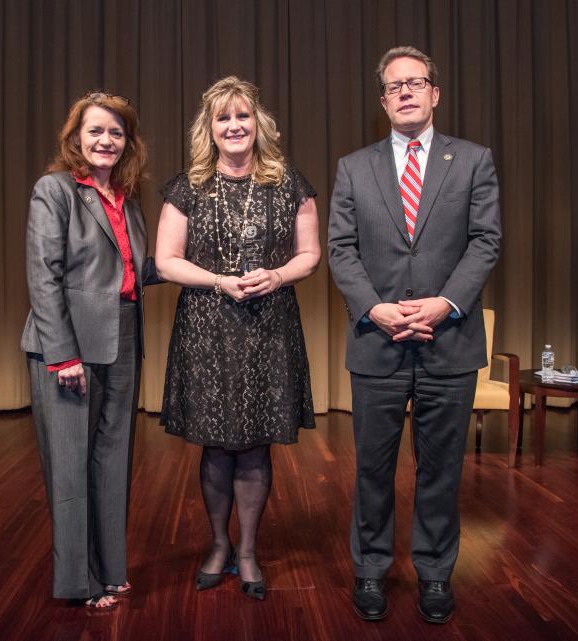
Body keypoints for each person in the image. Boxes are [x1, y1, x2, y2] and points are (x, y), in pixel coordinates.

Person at [328, 46, 501, 624]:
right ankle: (372, 571)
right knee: (372, 469)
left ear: (434, 94)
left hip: (449, 344)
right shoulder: (354, 167)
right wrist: (375, 309)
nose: (405, 91)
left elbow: (485, 241)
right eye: (394, 85)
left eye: (416, 82)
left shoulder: (473, 161)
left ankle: (434, 575)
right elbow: (341, 249)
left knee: (441, 469)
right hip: (377, 342)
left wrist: (445, 304)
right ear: (383, 100)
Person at [155, 76, 320, 601]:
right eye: (223, 118)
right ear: (210, 128)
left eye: (242, 116)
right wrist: (219, 280)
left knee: (254, 445)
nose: (234, 126)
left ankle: (247, 550)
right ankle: (219, 544)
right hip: (207, 329)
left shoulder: (291, 183)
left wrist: (277, 275)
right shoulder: (187, 187)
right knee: (216, 442)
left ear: (258, 124)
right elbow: (166, 261)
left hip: (270, 326)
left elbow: (311, 254)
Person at [21, 91, 153, 610]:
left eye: (116, 132)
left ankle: (111, 568)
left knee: (113, 460)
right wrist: (62, 355)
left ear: (128, 142)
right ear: (76, 137)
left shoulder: (127, 196)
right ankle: (79, 582)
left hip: (123, 336)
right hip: (68, 344)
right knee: (71, 465)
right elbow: (43, 276)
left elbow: (141, 270)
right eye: (96, 130)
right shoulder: (53, 190)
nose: (106, 140)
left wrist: (213, 271)